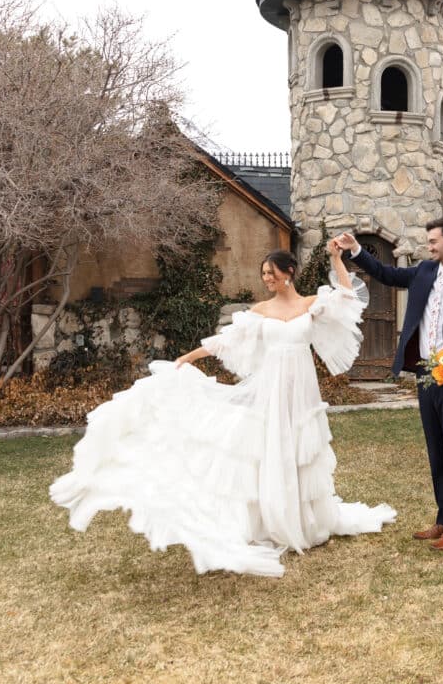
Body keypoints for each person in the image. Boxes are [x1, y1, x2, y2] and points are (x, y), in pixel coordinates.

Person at [50, 242, 395, 578]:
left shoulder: (310, 304)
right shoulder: (260, 312)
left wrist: (337, 258)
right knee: (273, 448)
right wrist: (187, 357)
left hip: (302, 392)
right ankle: (276, 518)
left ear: (289, 272)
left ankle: (307, 519)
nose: (266, 279)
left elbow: (347, 299)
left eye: (271, 272)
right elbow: (224, 341)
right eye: (263, 274)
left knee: (301, 450)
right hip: (271, 391)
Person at [335, 219, 443, 551]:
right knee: (436, 450)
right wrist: (355, 250)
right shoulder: (423, 272)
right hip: (425, 376)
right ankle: (442, 518)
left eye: (434, 241)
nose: (429, 247)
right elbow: (386, 274)